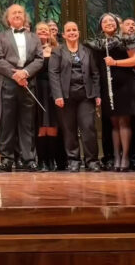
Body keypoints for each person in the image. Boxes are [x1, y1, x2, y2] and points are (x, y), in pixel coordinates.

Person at [0, 4, 44, 172]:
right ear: (7, 19)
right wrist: (15, 74)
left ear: (24, 17)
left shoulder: (34, 37)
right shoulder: (0, 36)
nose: (17, 15)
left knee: (27, 123)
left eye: (20, 12)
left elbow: (39, 59)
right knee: (6, 123)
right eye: (13, 13)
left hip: (28, 83)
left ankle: (29, 159)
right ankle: (6, 159)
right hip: (8, 83)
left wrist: (25, 73)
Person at [87, 13, 135, 172]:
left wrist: (115, 62)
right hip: (107, 86)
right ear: (101, 26)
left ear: (117, 24)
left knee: (124, 121)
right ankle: (116, 156)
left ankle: (125, 157)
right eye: (105, 21)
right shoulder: (98, 43)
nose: (109, 23)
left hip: (125, 85)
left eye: (112, 20)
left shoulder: (126, 39)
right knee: (114, 123)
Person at [49, 21, 101, 172]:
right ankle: (73, 160)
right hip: (65, 96)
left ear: (78, 33)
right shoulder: (57, 51)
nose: (72, 32)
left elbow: (95, 74)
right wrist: (57, 95)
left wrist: (97, 94)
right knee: (69, 129)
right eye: (69, 30)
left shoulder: (87, 51)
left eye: (74, 30)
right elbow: (53, 74)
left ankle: (92, 161)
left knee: (88, 128)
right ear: (64, 34)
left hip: (86, 96)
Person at [33, 22, 59, 171]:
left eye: (45, 29)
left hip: (53, 90)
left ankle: (52, 159)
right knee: (41, 125)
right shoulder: (32, 50)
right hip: (37, 89)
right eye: (40, 30)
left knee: (53, 124)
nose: (43, 31)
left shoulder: (57, 49)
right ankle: (42, 160)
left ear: (50, 33)